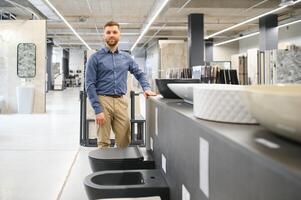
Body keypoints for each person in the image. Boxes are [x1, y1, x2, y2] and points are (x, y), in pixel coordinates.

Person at [85, 21, 156, 149]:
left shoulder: (126, 57)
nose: (111, 35)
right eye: (108, 32)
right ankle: (105, 169)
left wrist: (147, 88)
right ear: (104, 35)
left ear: (119, 35)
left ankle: (120, 167)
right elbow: (90, 84)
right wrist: (97, 109)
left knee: (124, 140)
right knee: (103, 142)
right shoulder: (95, 58)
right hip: (103, 100)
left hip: (121, 101)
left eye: (114, 32)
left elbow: (139, 73)